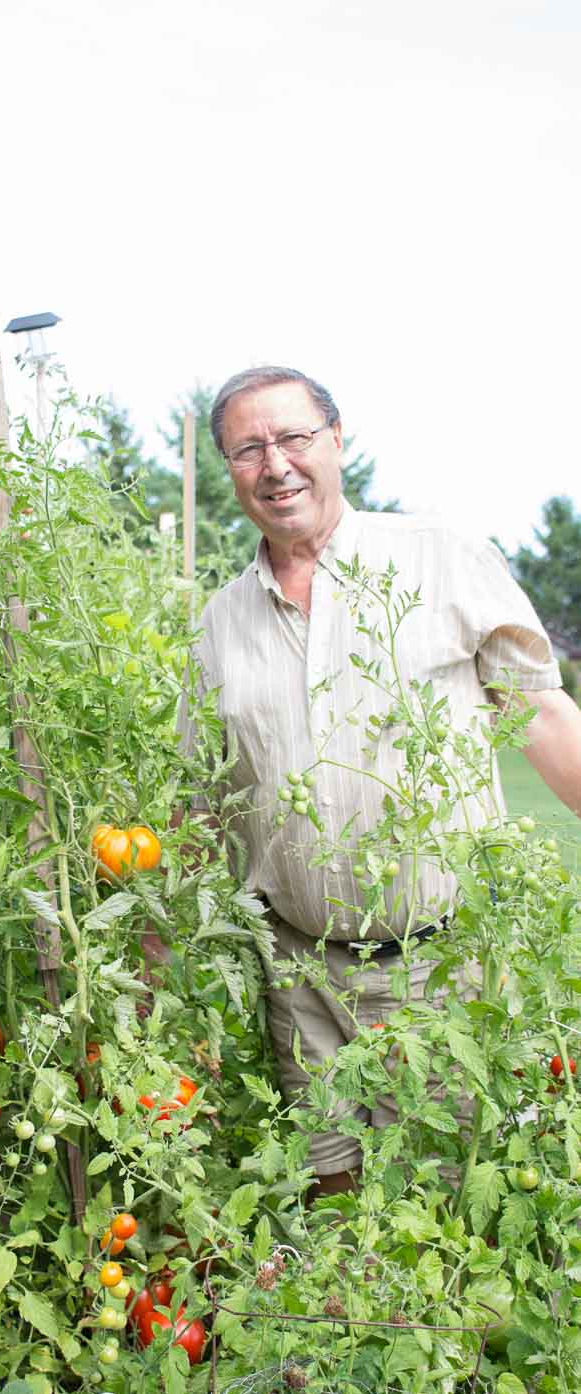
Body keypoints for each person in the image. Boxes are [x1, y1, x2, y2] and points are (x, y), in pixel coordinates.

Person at [180, 365, 581, 1199]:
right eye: (248, 449)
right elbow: (207, 797)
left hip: (442, 970)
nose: (276, 464)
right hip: (302, 976)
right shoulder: (221, 620)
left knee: (441, 1210)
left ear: (336, 440)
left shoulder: (438, 559)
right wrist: (161, 942)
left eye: (293, 438)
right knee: (336, 1202)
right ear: (229, 472)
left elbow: (540, 715)